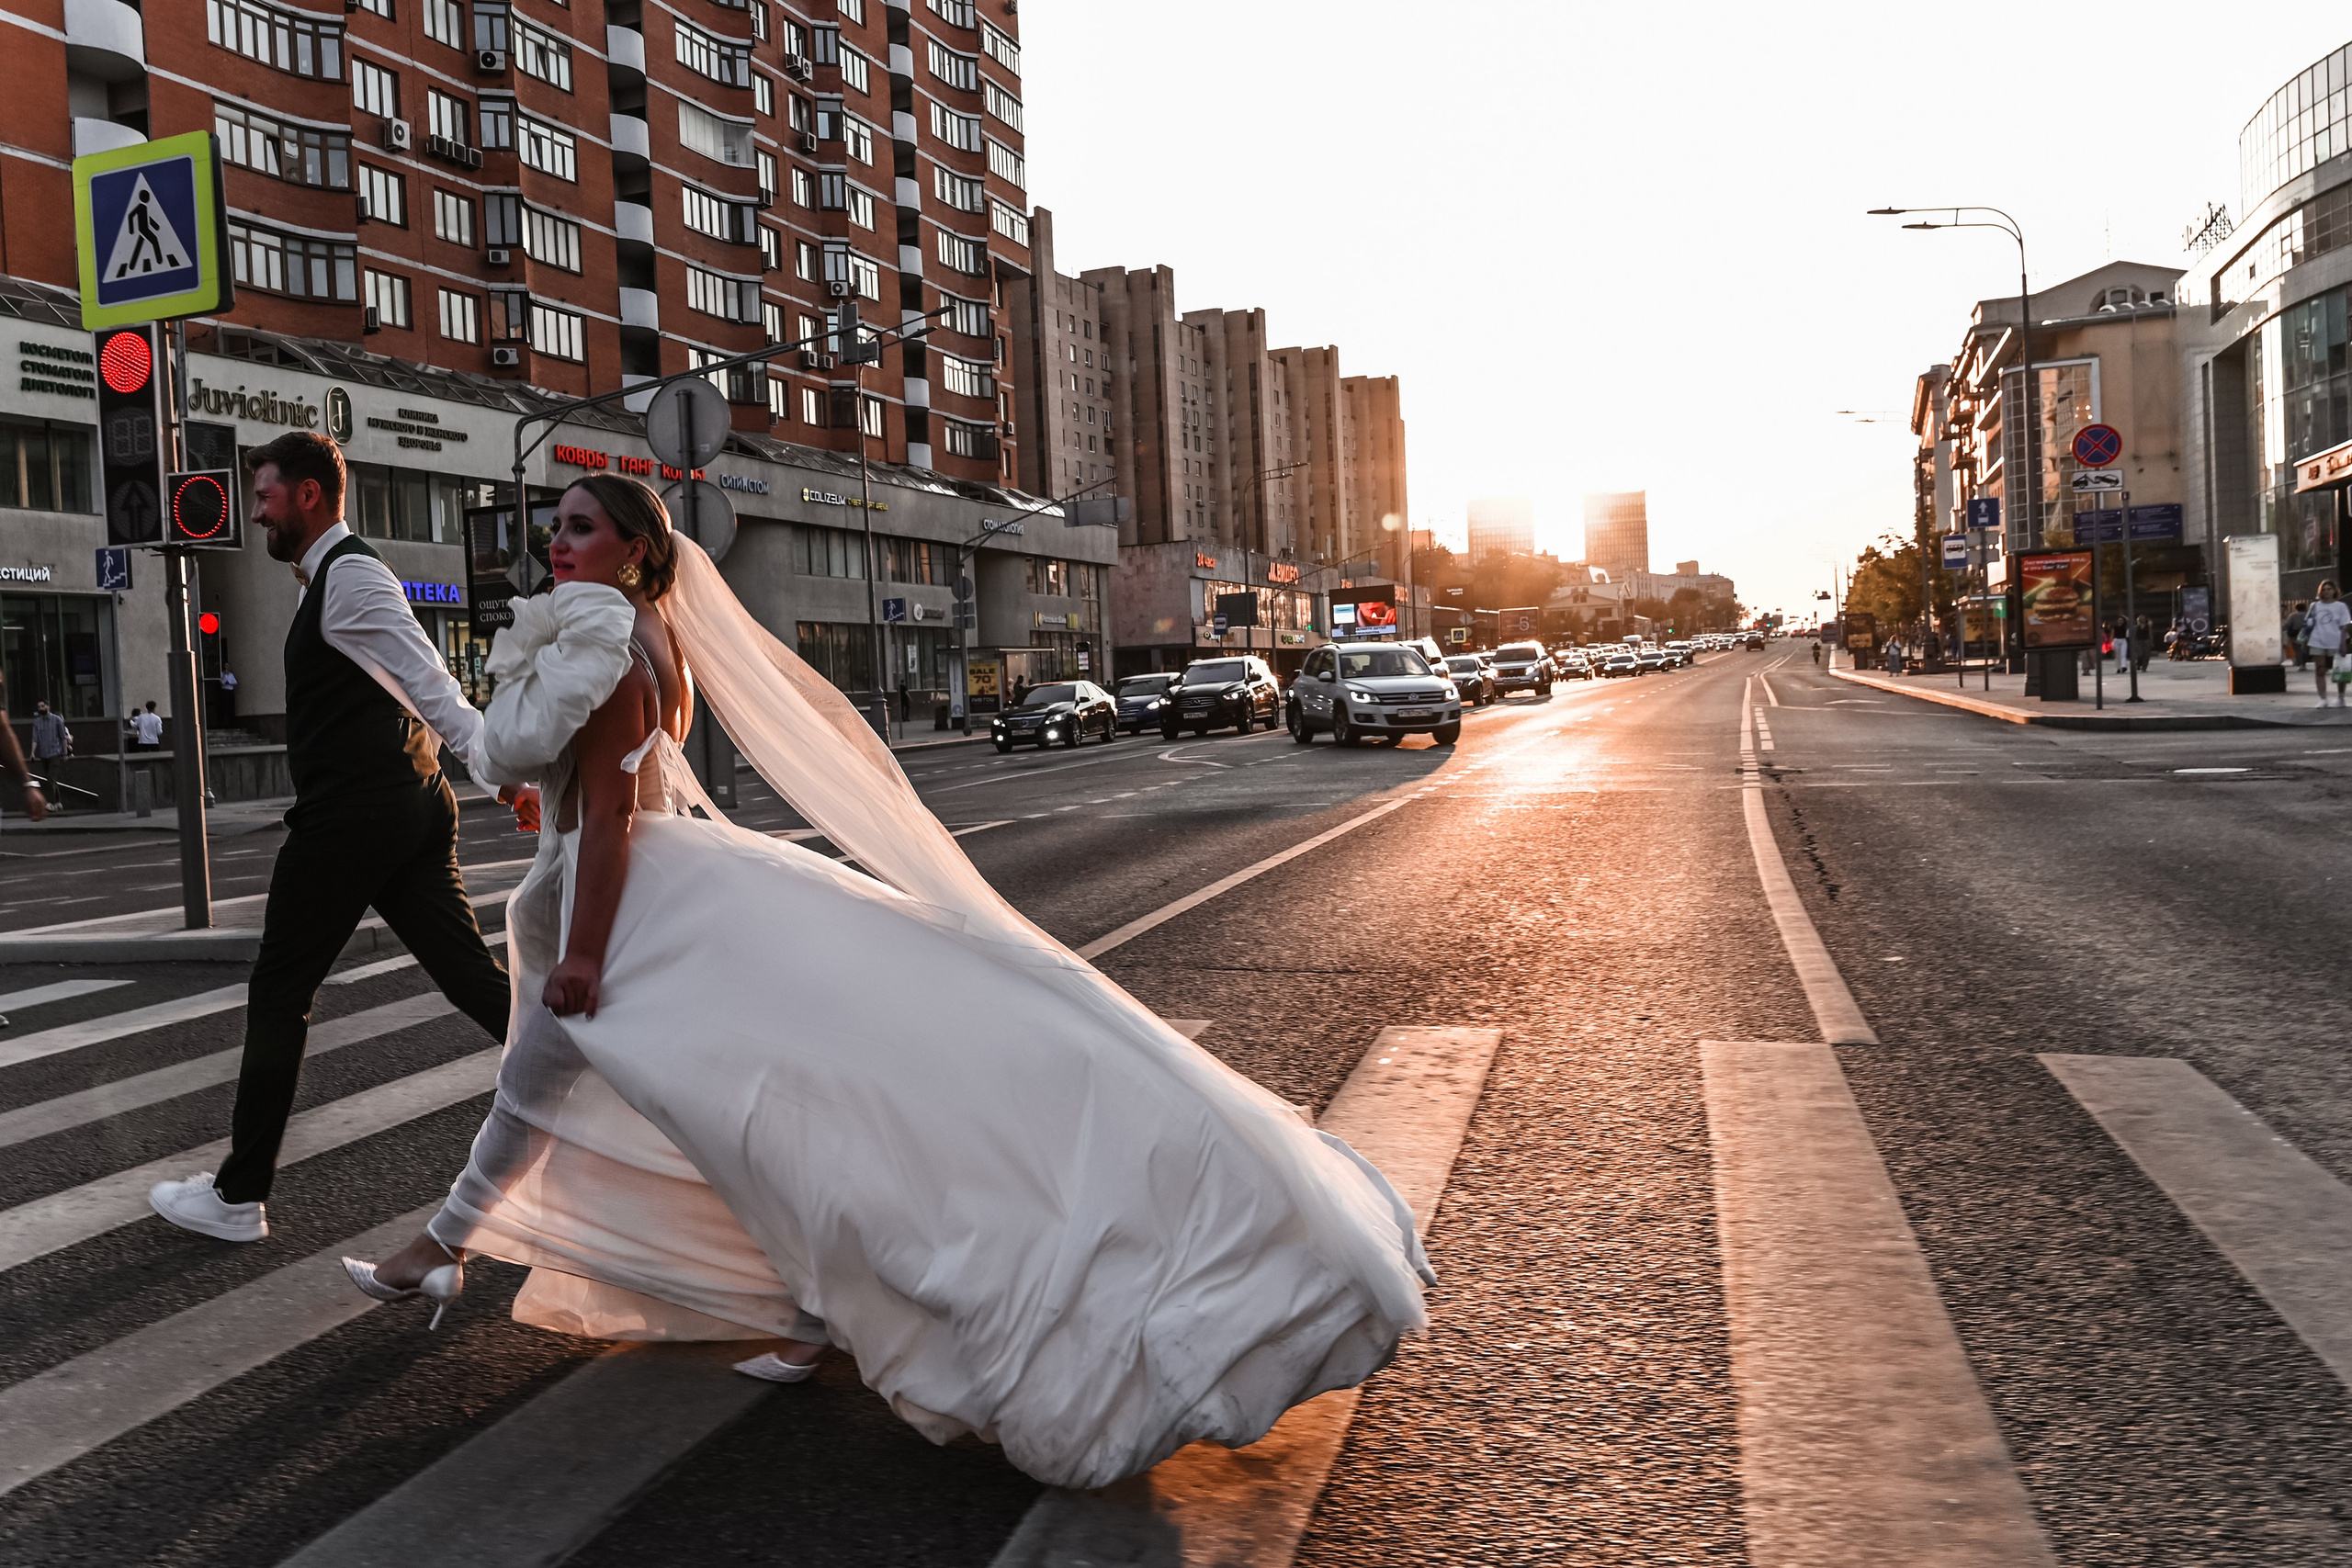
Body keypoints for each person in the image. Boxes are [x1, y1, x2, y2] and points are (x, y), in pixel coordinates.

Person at [345, 476, 1430, 1491]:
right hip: (665, 888)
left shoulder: (616, 651)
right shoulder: (647, 633)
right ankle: (789, 1305)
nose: (556, 540)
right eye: (556, 525)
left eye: (580, 526)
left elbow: (619, 817)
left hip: (639, 906)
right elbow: (610, 788)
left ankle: (442, 1252)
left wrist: (584, 949)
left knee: (632, 1094)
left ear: (634, 550)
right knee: (735, 1118)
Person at [149, 431, 531, 1245]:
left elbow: (431, 680)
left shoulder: (351, 575)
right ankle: (602, 1084)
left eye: (266, 494)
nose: (255, 511)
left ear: (311, 494)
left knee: (280, 991)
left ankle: (237, 1195)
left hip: (356, 815)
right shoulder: (327, 579)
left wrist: (501, 773)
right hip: (404, 807)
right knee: (472, 980)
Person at [2305, 581, 2351, 706]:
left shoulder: (2340, 606)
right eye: (2324, 589)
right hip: (2317, 640)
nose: (2326, 591)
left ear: (2335, 591)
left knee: (2339, 670)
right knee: (2320, 670)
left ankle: (2341, 697)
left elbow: (2343, 627)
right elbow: (2308, 623)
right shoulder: (2315, 606)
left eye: (2329, 589)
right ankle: (2323, 698)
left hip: (2335, 641)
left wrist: (2343, 643)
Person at [28, 700, 70, 810]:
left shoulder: (57, 720)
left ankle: (49, 802)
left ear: (48, 706)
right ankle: (58, 802)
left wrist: (65, 753)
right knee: (50, 779)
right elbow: (35, 738)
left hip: (55, 752)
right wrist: (32, 752)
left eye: (43, 706)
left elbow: (63, 737)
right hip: (43, 753)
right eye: (39, 707)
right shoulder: (37, 722)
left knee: (51, 777)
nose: (41, 708)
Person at [2288, 602, 2312, 670]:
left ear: (2296, 608)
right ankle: (2304, 663)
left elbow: (2288, 625)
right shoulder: (2308, 615)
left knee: (2297, 650)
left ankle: (2300, 664)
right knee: (2305, 649)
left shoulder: (2293, 616)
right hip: (2306, 634)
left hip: (2295, 634)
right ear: (2305, 608)